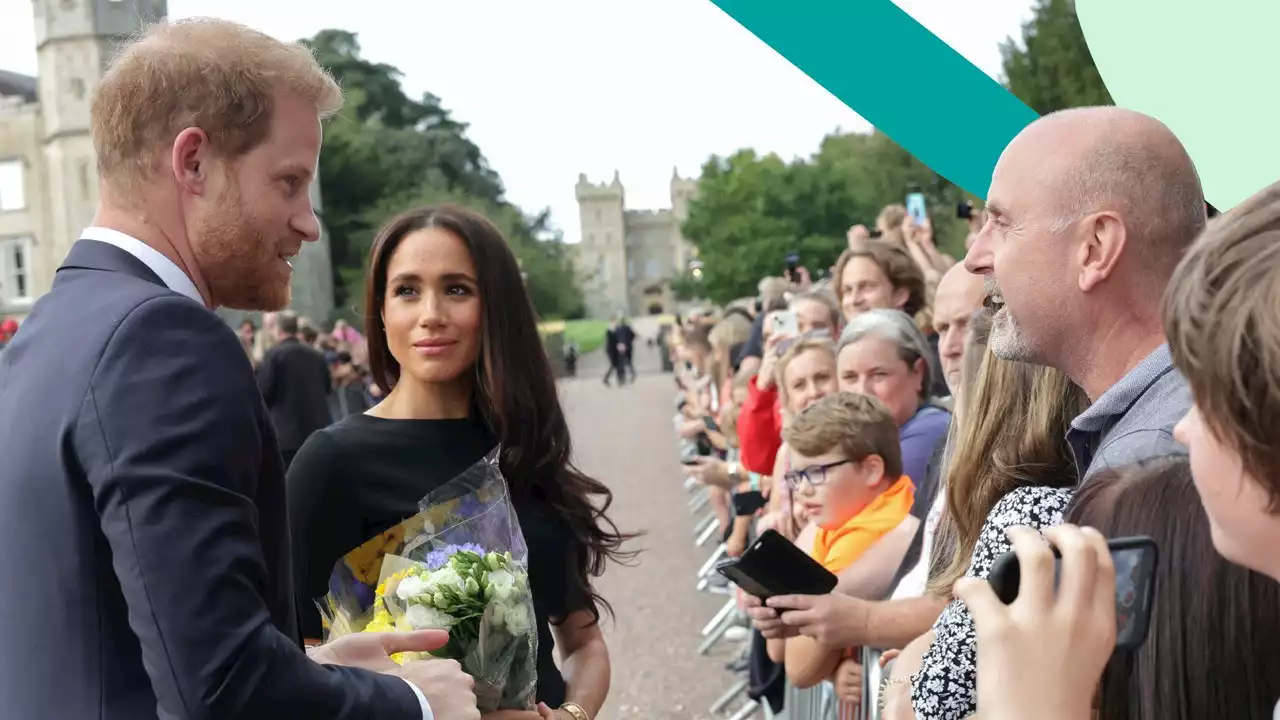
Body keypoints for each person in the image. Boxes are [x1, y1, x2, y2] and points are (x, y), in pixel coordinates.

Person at [0, 18, 477, 720]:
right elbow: (220, 692)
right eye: (288, 182)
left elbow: (118, 642)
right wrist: (414, 704)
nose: (308, 223)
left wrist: (303, 663)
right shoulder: (161, 340)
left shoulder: (44, 335)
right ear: (192, 163)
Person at [287, 206, 635, 720]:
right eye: (407, 290)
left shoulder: (524, 449)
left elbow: (584, 644)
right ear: (381, 313)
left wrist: (570, 717)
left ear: (494, 308)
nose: (430, 313)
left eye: (456, 289)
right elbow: (299, 662)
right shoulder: (332, 463)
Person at [964, 106, 1204, 481]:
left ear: (1095, 248)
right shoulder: (1193, 415)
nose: (974, 258)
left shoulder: (1150, 462)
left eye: (1002, 223)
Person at [257, 310, 333, 468]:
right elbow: (327, 388)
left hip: (286, 436)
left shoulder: (274, 355)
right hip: (319, 432)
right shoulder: (316, 355)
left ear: (279, 329)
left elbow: (263, 393)